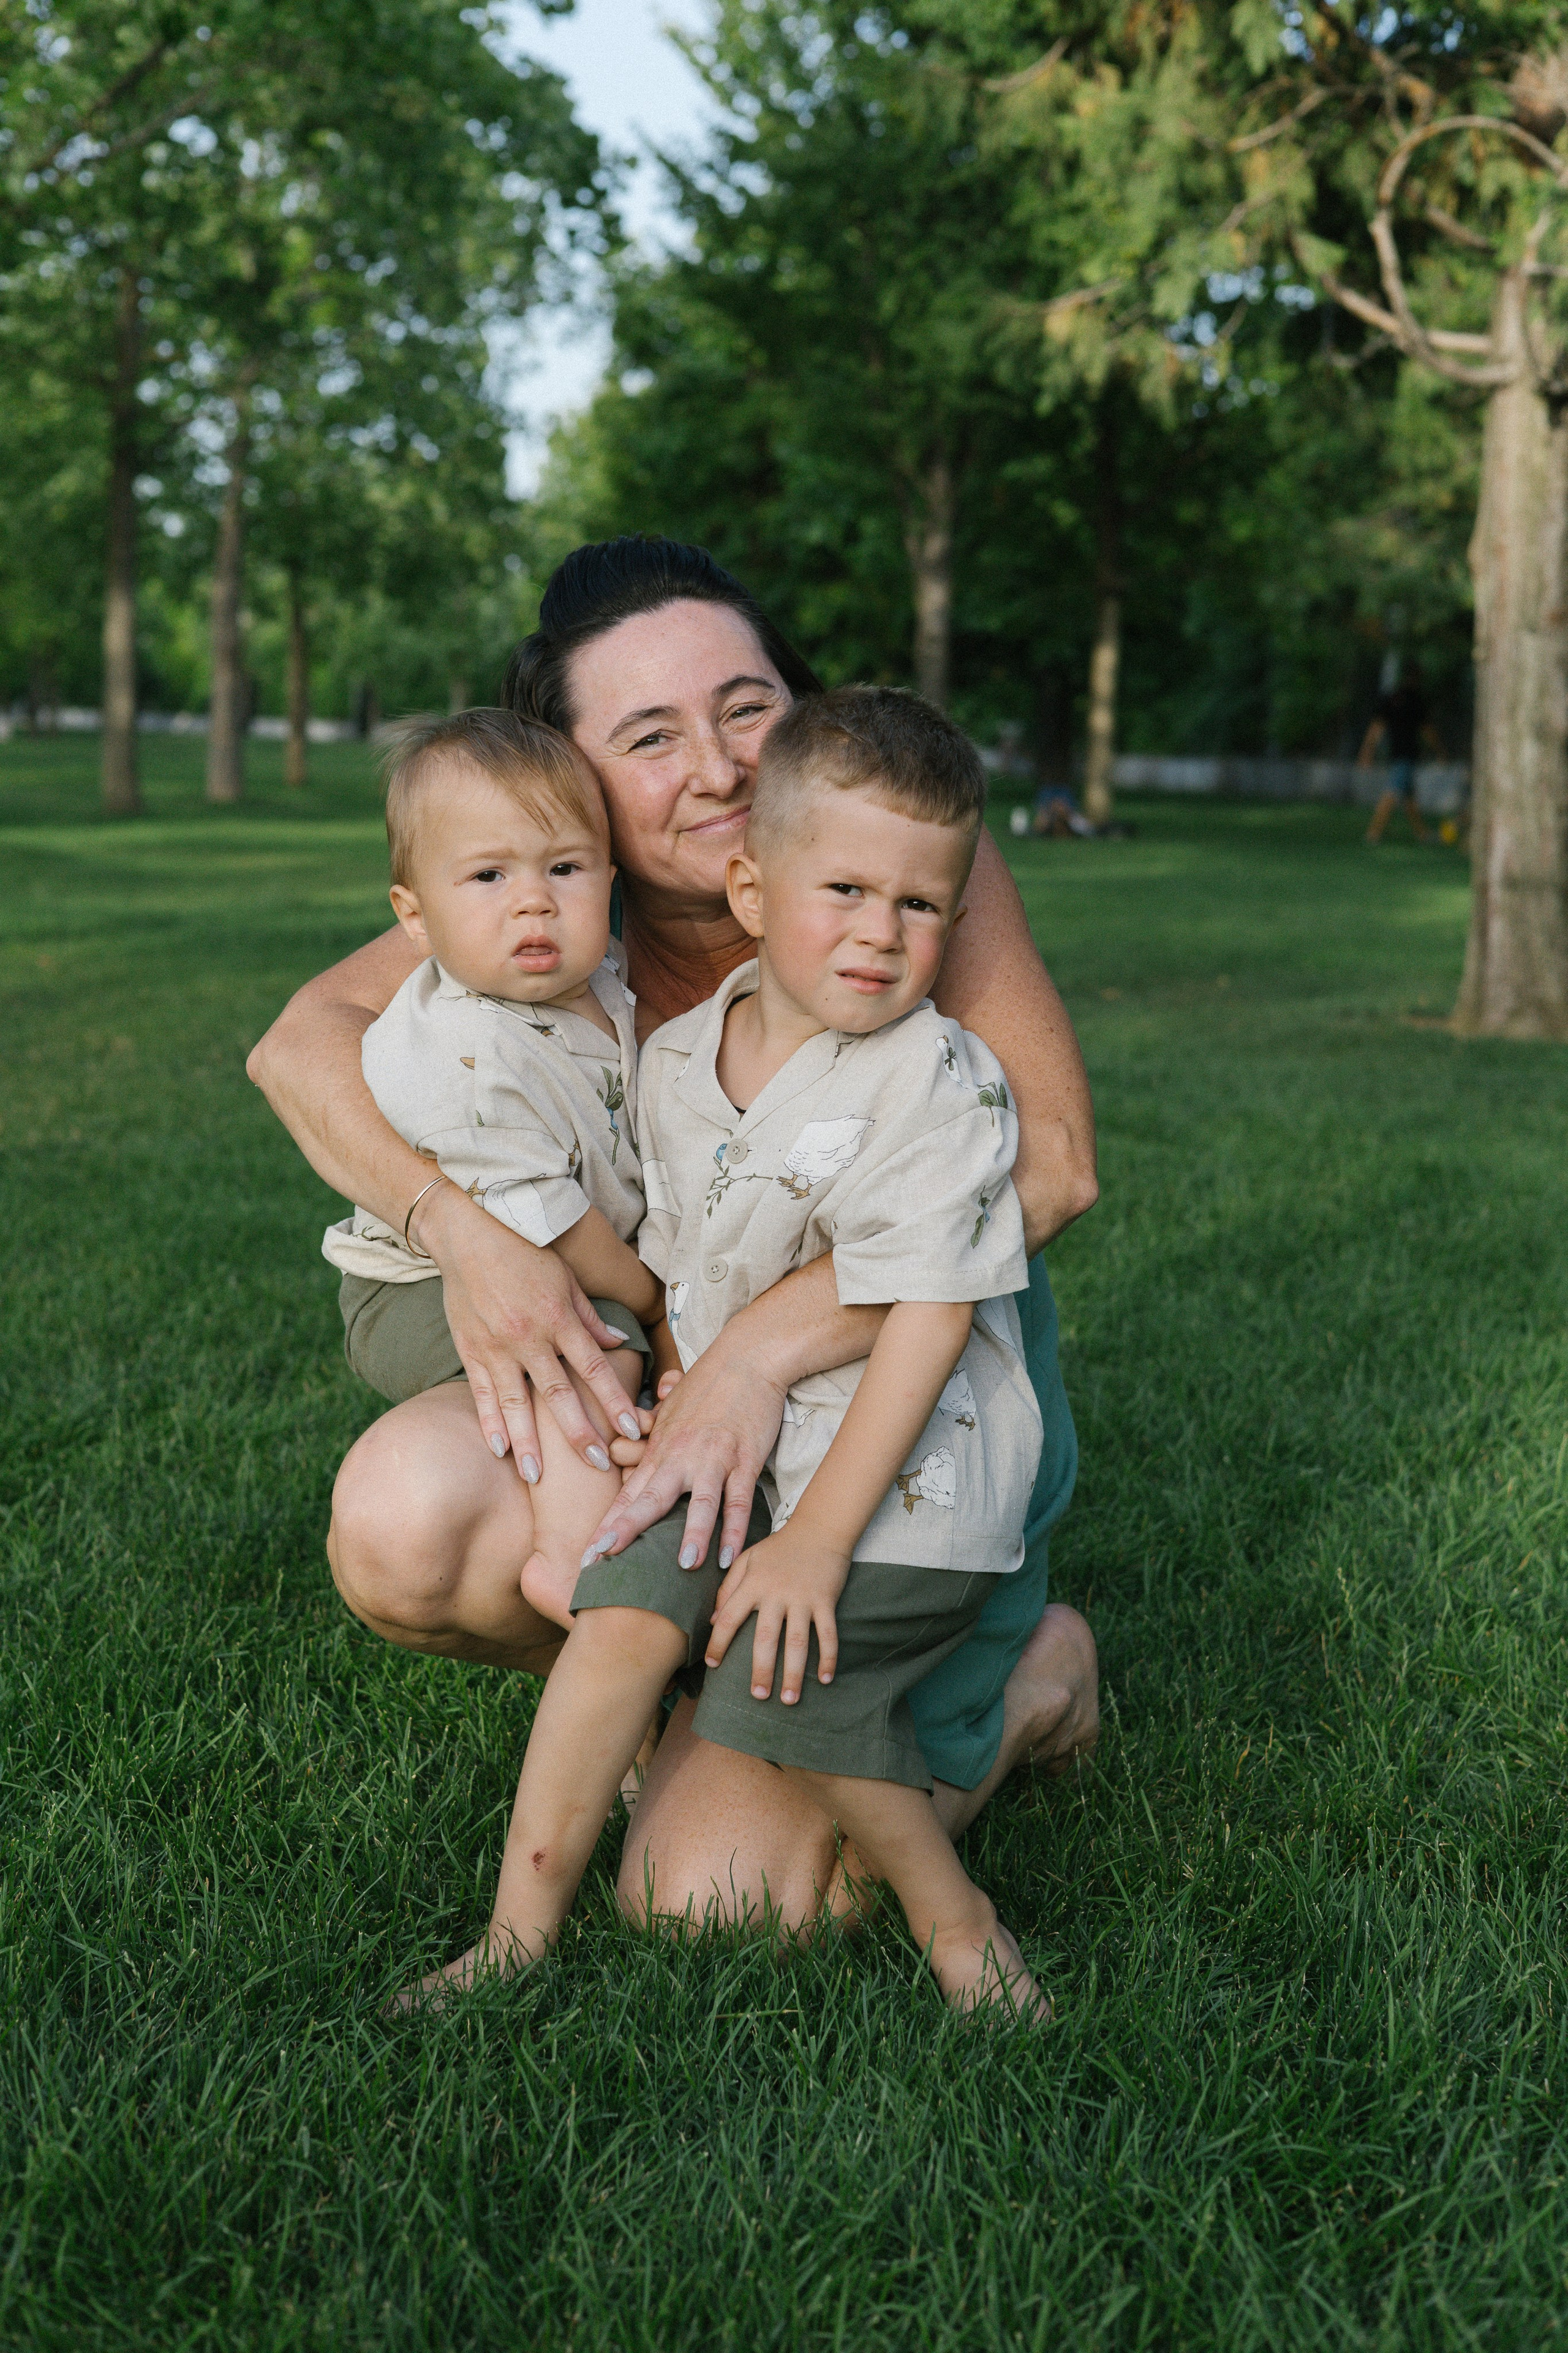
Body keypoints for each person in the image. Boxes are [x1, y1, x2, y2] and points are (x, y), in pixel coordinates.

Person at [246, 535, 1101, 1936]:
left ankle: (1034, 1682)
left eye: (746, 708)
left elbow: (1053, 1165)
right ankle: (676, 1699)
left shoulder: (878, 855)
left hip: (888, 1417)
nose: (717, 767)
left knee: (716, 1903)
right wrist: (464, 1232)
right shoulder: (558, 898)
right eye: (649, 737)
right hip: (676, 1385)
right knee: (408, 1520)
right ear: (571, 781)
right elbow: (299, 1042)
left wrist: (750, 1356)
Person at [417, 685, 1048, 2016]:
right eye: (845, 892)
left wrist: (813, 1541)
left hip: (894, 1482)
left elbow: (927, 1324)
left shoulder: (936, 1083)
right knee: (616, 1618)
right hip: (726, 1456)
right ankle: (513, 1937)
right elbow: (676, 1267)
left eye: (921, 905)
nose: (880, 933)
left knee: (784, 1692)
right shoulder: (678, 1061)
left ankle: (960, 1924)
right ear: (752, 891)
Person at [320, 707, 673, 1628]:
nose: (533, 902)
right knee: (596, 1337)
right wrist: (654, 1300)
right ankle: (572, 1556)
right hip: (411, 1287)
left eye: (565, 869)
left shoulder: (599, 983)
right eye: (488, 876)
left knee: (596, 1329)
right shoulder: (467, 1054)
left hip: (545, 1252)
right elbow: (559, 1231)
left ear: (610, 879)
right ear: (414, 916)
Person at [1358, 662, 1442, 845]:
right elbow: (1428, 730)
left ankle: (1423, 834)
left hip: (1397, 753)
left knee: (1409, 797)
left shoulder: (1392, 698)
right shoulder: (1416, 700)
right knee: (1392, 793)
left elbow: (1376, 727)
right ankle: (1373, 834)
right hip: (1406, 754)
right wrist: (1440, 752)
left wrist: (1367, 751)